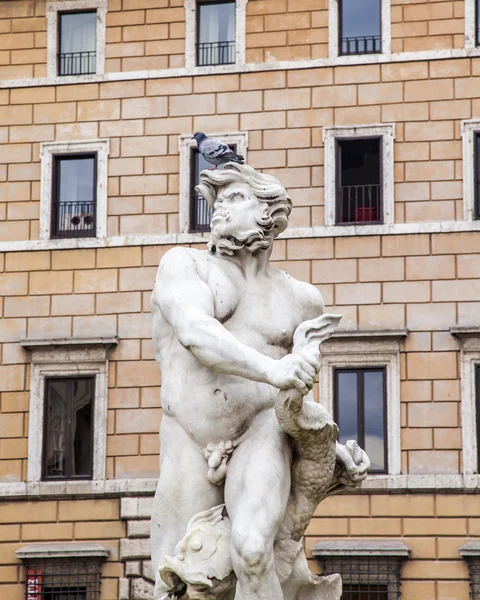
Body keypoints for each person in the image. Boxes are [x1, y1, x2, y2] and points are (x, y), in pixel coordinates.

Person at [150, 163, 345, 600]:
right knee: (179, 584)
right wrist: (271, 369)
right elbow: (196, 332)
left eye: (234, 198)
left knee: (254, 550)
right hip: (190, 438)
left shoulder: (301, 300)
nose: (219, 209)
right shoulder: (185, 266)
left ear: (269, 214)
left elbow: (295, 390)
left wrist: (324, 444)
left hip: (262, 433)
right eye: (217, 201)